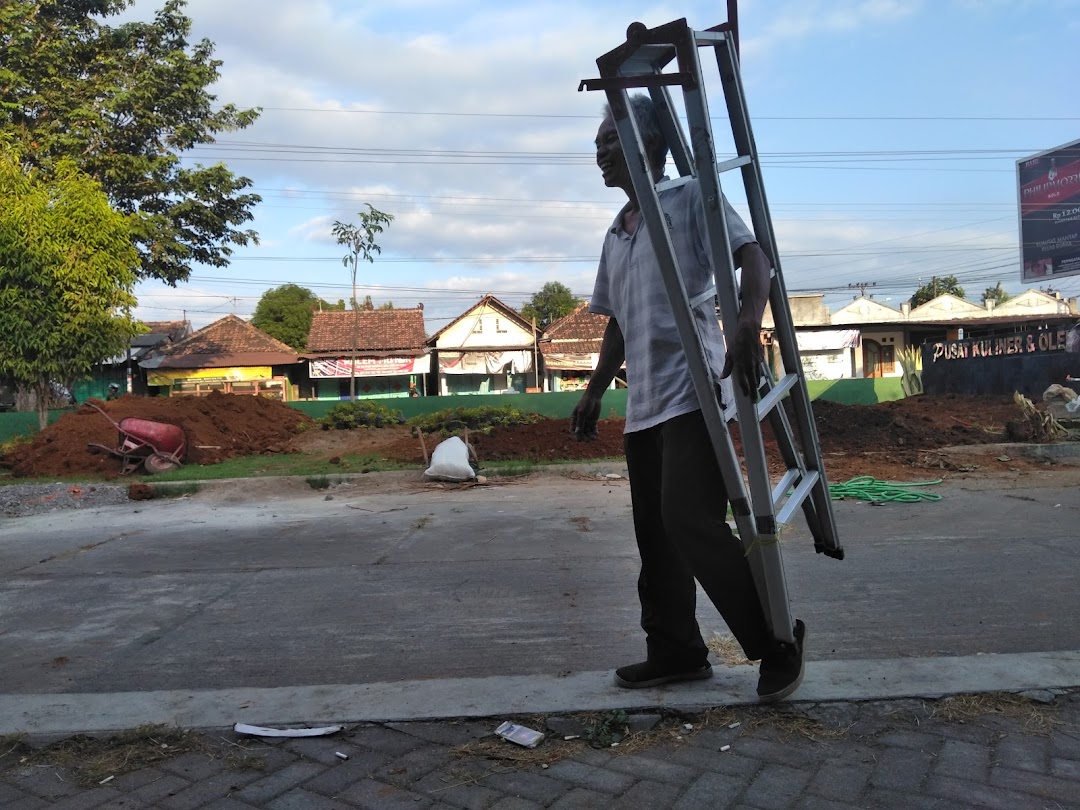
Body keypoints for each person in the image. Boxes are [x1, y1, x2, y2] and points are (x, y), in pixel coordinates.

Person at [571, 95, 805, 703]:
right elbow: (618, 321)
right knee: (654, 532)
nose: (599, 152)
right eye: (597, 143)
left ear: (647, 144)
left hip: (695, 388)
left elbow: (752, 256)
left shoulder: (684, 200)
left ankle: (776, 640)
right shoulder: (616, 232)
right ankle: (674, 649)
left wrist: (750, 321)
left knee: (687, 518)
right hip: (643, 403)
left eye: (609, 140)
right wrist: (595, 390)